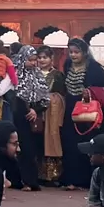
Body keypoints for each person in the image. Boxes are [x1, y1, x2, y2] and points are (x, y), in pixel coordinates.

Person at [54, 38, 104, 190]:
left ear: (84, 52)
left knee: (87, 143)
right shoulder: (67, 65)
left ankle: (87, 179)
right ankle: (71, 178)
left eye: (76, 52)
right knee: (70, 143)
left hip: (88, 111)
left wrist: (90, 92)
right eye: (71, 52)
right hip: (71, 109)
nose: (73, 55)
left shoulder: (94, 68)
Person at [9, 44, 50, 191]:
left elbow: (45, 98)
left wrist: (35, 110)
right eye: (31, 60)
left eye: (35, 60)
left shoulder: (37, 75)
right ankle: (16, 180)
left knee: (29, 149)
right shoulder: (14, 73)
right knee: (13, 148)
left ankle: (30, 181)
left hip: (31, 118)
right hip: (15, 115)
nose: (34, 63)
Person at [38, 47, 66, 185]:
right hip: (36, 112)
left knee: (52, 138)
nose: (42, 60)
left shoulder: (57, 75)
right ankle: (39, 174)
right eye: (40, 57)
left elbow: (62, 94)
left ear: (51, 59)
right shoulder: (33, 74)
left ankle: (53, 175)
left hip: (52, 113)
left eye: (45, 57)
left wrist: (51, 99)